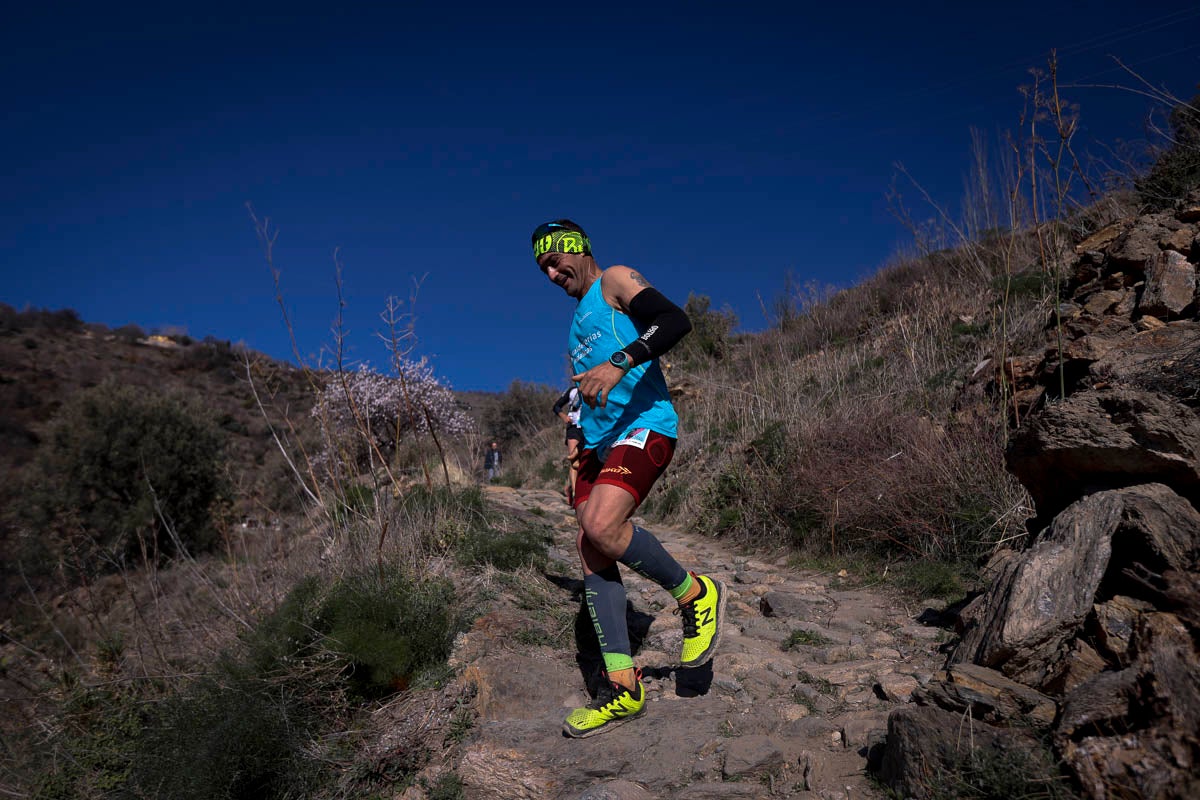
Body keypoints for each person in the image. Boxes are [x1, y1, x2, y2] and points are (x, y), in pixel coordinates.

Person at [531, 218, 726, 738]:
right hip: (596, 450)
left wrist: (619, 362)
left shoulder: (613, 281)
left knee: (600, 525)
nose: (552, 274)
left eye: (555, 260)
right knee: (592, 544)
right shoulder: (575, 328)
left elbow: (673, 320)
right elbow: (579, 400)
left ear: (575, 247)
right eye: (543, 269)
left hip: (645, 427)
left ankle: (693, 593)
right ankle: (623, 689)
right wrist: (574, 456)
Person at [552, 384, 584, 504]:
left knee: (586, 459)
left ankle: (573, 487)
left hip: (588, 427)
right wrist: (563, 416)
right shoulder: (572, 390)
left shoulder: (594, 385)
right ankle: (576, 494)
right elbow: (556, 406)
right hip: (573, 427)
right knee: (574, 460)